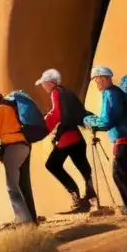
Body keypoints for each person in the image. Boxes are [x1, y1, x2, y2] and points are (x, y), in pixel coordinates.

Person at [84, 66, 127, 215]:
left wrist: (89, 120)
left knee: (119, 174)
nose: (96, 84)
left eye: (96, 80)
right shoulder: (115, 92)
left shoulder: (110, 94)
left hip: (124, 138)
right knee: (120, 175)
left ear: (103, 78)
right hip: (125, 137)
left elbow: (106, 121)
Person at [36, 68, 97, 212]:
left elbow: (58, 114)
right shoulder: (66, 92)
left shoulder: (56, 92)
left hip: (67, 138)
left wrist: (51, 129)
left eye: (44, 83)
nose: (43, 86)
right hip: (76, 136)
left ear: (50, 83)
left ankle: (77, 199)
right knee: (83, 166)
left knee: (52, 165)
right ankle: (91, 199)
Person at [0, 85, 36, 224]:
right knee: (23, 185)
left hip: (13, 149)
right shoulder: (10, 107)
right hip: (24, 146)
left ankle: (24, 221)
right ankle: (32, 218)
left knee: (12, 187)